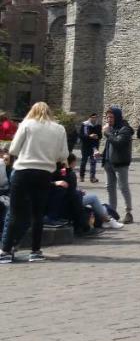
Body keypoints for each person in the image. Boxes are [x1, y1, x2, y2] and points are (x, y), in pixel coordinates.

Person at [1, 101, 70, 263]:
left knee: (15, 213)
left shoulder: (26, 124)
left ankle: (5, 251)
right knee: (37, 214)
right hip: (44, 173)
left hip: (23, 171)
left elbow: (13, 150)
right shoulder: (59, 129)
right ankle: (35, 251)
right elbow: (63, 154)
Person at [101, 106, 134, 224]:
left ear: (117, 117)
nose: (109, 119)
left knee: (123, 187)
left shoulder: (125, 129)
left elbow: (118, 142)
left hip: (120, 163)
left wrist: (107, 133)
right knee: (110, 188)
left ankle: (128, 212)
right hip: (108, 163)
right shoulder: (111, 128)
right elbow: (109, 145)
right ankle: (112, 212)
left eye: (111, 117)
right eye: (107, 117)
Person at [79, 112, 102, 183]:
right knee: (84, 161)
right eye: (93, 117)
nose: (95, 119)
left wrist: (97, 136)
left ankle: (92, 177)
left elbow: (100, 136)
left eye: (96, 118)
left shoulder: (98, 125)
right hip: (85, 145)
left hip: (94, 146)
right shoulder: (85, 124)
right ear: (90, 117)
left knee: (93, 162)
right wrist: (89, 136)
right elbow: (81, 136)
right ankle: (81, 176)